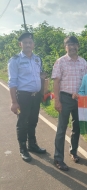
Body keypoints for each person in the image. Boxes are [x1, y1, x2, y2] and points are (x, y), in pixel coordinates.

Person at [51, 36, 87, 171]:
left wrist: (84, 98)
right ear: (65, 47)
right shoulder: (60, 62)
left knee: (76, 128)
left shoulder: (83, 62)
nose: (72, 47)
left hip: (79, 99)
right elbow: (56, 82)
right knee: (61, 128)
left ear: (78, 46)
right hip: (65, 98)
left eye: (74, 44)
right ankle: (58, 158)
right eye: (69, 44)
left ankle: (73, 152)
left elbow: (86, 82)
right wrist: (57, 100)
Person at [8, 32, 46, 162]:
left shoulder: (37, 59)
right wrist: (14, 102)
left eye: (30, 42)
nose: (28, 45)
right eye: (25, 42)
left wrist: (43, 92)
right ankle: (23, 148)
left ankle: (32, 144)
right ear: (20, 44)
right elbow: (12, 82)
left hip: (35, 97)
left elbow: (40, 76)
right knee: (22, 122)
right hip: (23, 97)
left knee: (33, 120)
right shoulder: (15, 60)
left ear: (33, 44)